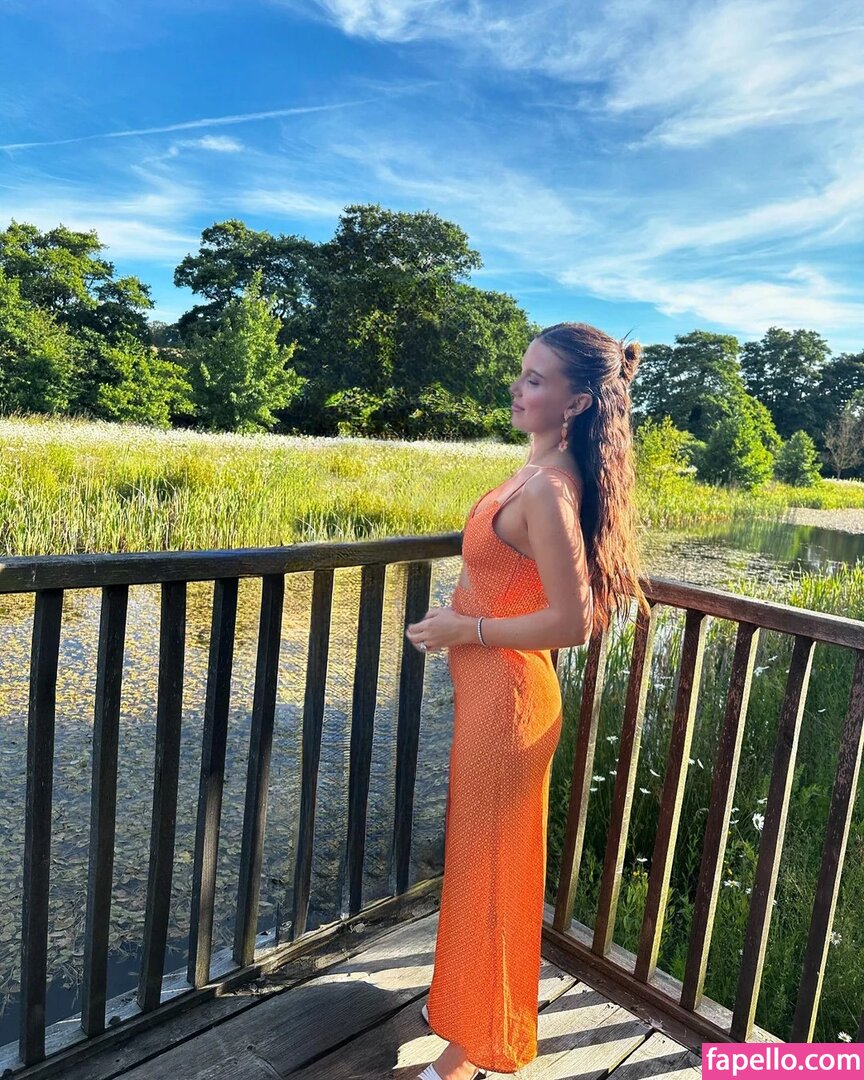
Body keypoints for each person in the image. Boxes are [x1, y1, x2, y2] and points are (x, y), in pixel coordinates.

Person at [405, 321, 648, 1080]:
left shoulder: (548, 488)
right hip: (491, 701)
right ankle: (464, 1009)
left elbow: (573, 623)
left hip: (509, 708)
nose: (517, 387)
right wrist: (460, 620)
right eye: (521, 372)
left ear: (576, 402)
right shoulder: (536, 469)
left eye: (536, 379)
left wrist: (465, 628)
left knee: (490, 875)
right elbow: (510, 577)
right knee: (476, 865)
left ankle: (470, 1049)